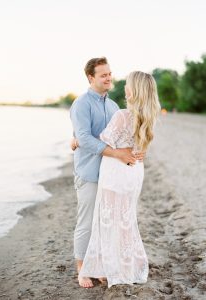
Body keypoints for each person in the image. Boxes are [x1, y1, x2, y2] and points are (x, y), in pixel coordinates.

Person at [78, 71, 161, 288]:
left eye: (128, 83)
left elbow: (103, 140)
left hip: (116, 172)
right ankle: (126, 267)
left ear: (133, 90)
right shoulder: (149, 116)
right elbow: (140, 147)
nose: (124, 86)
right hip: (134, 173)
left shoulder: (123, 115)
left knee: (108, 221)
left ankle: (110, 268)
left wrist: (77, 139)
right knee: (125, 221)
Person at [70, 57, 145, 288]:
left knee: (106, 223)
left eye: (110, 73)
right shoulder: (81, 104)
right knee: (87, 223)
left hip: (112, 175)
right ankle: (82, 270)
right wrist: (77, 141)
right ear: (91, 78)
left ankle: (101, 266)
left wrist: (135, 152)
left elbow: (122, 136)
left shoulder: (113, 106)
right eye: (103, 75)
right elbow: (83, 137)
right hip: (90, 173)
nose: (109, 78)